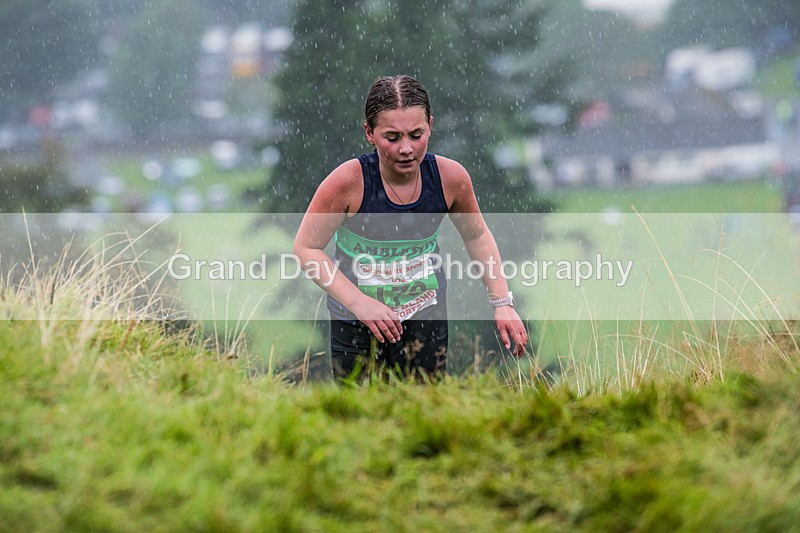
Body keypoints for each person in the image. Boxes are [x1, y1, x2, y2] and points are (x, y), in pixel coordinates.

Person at [293, 75, 527, 380]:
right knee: (364, 418)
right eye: (392, 137)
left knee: (423, 412)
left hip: (425, 316)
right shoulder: (347, 182)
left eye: (416, 134)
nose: (406, 148)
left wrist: (502, 303)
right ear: (369, 132)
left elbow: (477, 235)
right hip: (356, 323)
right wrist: (359, 302)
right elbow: (306, 248)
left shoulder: (450, 179)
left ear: (430, 125)